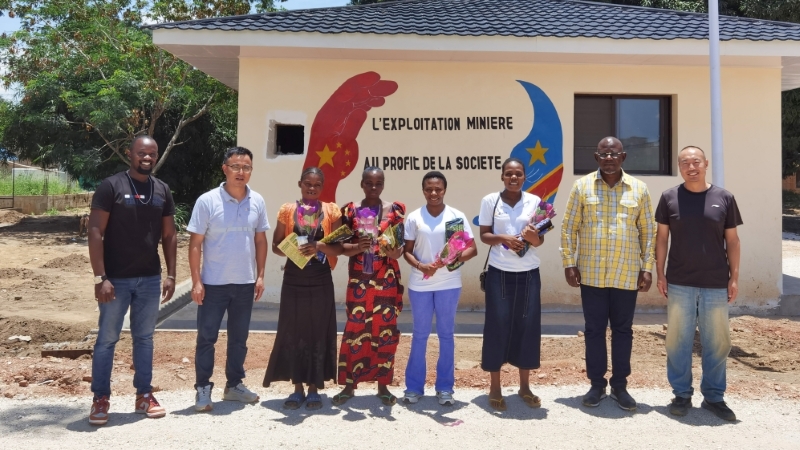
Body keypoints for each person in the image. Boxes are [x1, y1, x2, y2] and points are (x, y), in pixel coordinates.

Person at [560, 136, 656, 411]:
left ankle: (620, 385)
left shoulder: (639, 189)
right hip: (591, 274)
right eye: (604, 154)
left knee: (623, 330)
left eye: (614, 154)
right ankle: (596, 384)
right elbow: (568, 228)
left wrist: (647, 268)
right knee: (594, 330)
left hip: (626, 273)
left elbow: (648, 232)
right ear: (596, 157)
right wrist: (569, 262)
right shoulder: (582, 187)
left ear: (623, 157)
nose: (609, 158)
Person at [87, 135, 177, 425]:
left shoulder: (161, 189)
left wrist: (171, 274)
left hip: (149, 279)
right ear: (130, 154)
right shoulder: (111, 186)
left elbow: (169, 234)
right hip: (115, 280)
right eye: (141, 153)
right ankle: (100, 399)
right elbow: (95, 231)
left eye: (152, 154)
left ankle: (144, 395)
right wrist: (100, 277)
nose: (147, 158)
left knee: (145, 339)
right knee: (107, 339)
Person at [655, 146, 742, 421]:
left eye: (696, 162)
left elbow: (733, 241)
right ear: (679, 166)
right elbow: (661, 238)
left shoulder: (724, 198)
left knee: (717, 342)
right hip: (680, 281)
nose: (691, 167)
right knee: (677, 342)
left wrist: (734, 277)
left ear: (705, 163)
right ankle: (681, 394)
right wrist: (660, 273)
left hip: (715, 282)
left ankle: (714, 397)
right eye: (685, 163)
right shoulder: (669, 197)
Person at [187, 147, 270, 412]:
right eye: (236, 166)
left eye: (246, 167)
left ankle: (234, 385)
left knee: (239, 339)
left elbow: (260, 240)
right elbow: (195, 243)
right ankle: (203, 388)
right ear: (225, 169)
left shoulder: (257, 201)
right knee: (206, 338)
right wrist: (197, 281)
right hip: (213, 284)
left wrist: (260, 276)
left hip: (245, 283)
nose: (241, 172)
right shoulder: (207, 201)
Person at [263, 167, 344, 410]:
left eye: (317, 185)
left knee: (318, 330)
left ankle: (314, 388)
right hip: (294, 279)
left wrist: (318, 246)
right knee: (294, 330)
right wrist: (292, 249)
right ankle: (297, 388)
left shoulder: (331, 211)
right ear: (300, 184)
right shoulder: (288, 210)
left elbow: (339, 247)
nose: (312, 188)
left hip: (320, 279)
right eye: (308, 183)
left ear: (322, 187)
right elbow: (276, 245)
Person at [401, 171, 478, 406]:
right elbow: (407, 251)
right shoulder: (414, 217)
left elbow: (472, 249)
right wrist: (421, 266)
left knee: (446, 335)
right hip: (420, 284)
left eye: (438, 189)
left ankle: (445, 388)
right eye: (429, 189)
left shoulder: (456, 216)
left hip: (449, 283)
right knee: (419, 335)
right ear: (423, 191)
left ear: (445, 190)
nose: (433, 193)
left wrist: (452, 259)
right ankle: (413, 388)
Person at [333, 167, 406, 406]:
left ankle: (383, 386)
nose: (374, 187)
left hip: (386, 280)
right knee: (355, 329)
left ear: (383, 184)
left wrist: (394, 252)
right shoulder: (350, 211)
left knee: (385, 330)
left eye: (378, 183)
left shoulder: (395, 211)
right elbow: (338, 247)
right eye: (369, 183)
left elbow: (400, 247)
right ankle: (349, 385)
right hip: (359, 280)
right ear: (362, 184)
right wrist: (358, 247)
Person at [478, 157, 545, 411]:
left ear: (524, 177)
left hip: (529, 274)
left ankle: (524, 386)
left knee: (527, 327)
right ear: (502, 176)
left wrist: (532, 237)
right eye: (508, 173)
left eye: (518, 174)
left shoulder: (535, 202)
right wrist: (504, 238)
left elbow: (539, 241)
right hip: (499, 274)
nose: (513, 178)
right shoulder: (490, 201)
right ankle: (495, 387)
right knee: (497, 327)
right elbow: (484, 235)